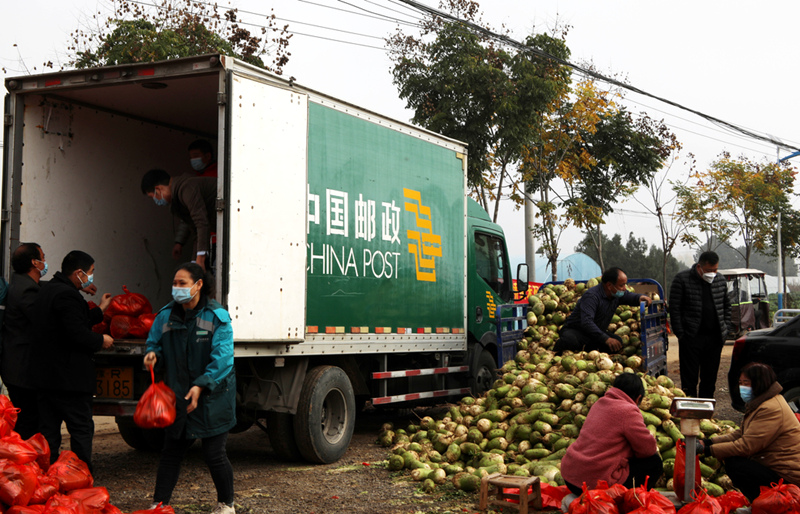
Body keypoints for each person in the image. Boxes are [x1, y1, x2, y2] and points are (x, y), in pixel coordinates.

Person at [143, 263, 236, 514]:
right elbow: (154, 343)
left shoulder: (216, 317)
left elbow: (223, 358)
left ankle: (227, 504)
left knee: (214, 453)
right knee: (172, 450)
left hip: (213, 397)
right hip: (179, 396)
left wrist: (201, 386)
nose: (177, 288)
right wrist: (152, 354)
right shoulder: (166, 316)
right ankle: (159, 503)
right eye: (175, 283)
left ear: (198, 285)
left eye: (182, 283)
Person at [31, 250, 114, 470]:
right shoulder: (67, 296)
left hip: (46, 378)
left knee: (48, 432)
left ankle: (45, 477)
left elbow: (77, 319)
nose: (90, 277)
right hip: (69, 381)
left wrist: (101, 309)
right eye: (90, 273)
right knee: (80, 429)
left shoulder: (48, 290)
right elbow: (77, 333)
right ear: (79, 273)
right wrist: (101, 340)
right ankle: (79, 478)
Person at [699, 363, 800, 501]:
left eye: (746, 383)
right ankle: (760, 502)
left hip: (787, 476)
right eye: (740, 383)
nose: (742, 388)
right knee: (734, 459)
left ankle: (763, 502)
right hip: (774, 466)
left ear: (760, 383)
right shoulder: (763, 403)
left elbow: (746, 446)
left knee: (736, 465)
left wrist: (708, 450)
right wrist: (709, 442)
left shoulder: (770, 408)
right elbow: (741, 433)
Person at [561, 373, 662, 494]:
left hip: (570, 477)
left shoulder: (599, 403)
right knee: (654, 463)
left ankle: (580, 498)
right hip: (593, 483)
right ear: (638, 398)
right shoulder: (628, 411)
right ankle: (625, 501)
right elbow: (647, 449)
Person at [668, 251, 732, 398]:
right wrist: (681, 334)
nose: (712, 273)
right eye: (709, 270)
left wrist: (725, 329)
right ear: (699, 267)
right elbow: (675, 309)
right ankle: (689, 412)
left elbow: (727, 306)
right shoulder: (682, 280)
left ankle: (706, 412)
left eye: (715, 270)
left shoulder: (720, 281)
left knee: (709, 379)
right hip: (691, 338)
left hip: (714, 339)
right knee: (689, 379)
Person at [1, 243, 48, 438]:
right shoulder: (26, 291)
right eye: (42, 258)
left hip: (18, 369)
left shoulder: (21, 282)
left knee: (28, 419)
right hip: (22, 370)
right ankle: (28, 463)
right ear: (34, 263)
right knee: (29, 420)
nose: (45, 262)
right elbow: (43, 323)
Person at [554, 267, 651, 354]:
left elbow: (629, 296)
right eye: (622, 285)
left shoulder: (616, 294)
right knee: (570, 340)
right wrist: (606, 339)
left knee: (617, 343)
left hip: (595, 333)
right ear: (609, 285)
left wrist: (640, 297)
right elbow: (587, 322)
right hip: (577, 331)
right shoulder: (592, 296)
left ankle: (589, 350)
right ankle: (557, 350)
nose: (624, 288)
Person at [141, 169, 216, 270]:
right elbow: (196, 231)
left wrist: (200, 259)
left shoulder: (186, 187)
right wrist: (194, 263)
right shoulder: (177, 200)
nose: (155, 201)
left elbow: (201, 222)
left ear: (158, 189)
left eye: (153, 197)